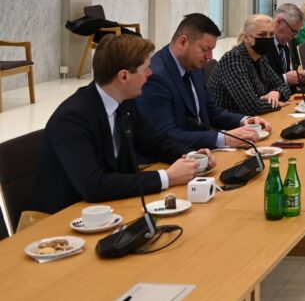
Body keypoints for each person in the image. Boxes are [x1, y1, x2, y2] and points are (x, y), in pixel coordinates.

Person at [31, 34, 209, 214]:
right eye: (145, 69)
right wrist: (167, 178)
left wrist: (191, 157)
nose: (151, 73)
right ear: (124, 76)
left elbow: (155, 143)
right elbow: (93, 185)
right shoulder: (72, 119)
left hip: (112, 208)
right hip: (66, 218)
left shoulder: (124, 101)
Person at [138, 13, 272, 151]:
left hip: (205, 152)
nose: (210, 57)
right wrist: (223, 138)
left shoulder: (195, 66)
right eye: (205, 50)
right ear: (183, 42)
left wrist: (244, 120)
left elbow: (212, 111)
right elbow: (166, 136)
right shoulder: (156, 77)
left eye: (212, 50)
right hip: (175, 159)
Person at [208, 14, 291, 116]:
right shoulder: (233, 59)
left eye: (271, 34)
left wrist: (276, 93)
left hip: (256, 119)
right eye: (262, 35)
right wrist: (277, 104)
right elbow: (251, 107)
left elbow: (283, 86)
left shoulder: (261, 57)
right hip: (231, 123)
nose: (268, 39)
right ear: (246, 37)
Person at [266, 3, 305, 89]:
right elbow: (261, 83)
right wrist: (285, 78)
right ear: (279, 22)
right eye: (294, 31)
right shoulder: (262, 46)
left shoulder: (283, 46)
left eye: (297, 32)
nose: (295, 36)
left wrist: (300, 78)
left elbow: (285, 74)